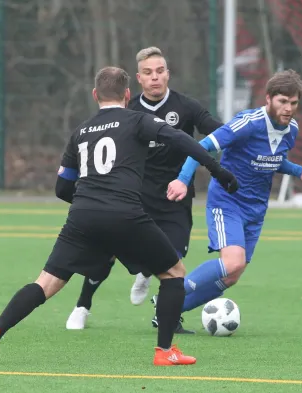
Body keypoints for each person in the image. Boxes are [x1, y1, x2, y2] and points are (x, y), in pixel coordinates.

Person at [0, 66, 238, 366]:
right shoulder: (138, 119)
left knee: (45, 284)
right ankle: (165, 351)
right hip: (125, 213)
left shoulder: (80, 131)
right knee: (174, 273)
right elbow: (182, 141)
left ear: (95, 95)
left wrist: (88, 206)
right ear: (128, 95)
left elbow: (62, 187)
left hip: (82, 216)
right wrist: (217, 170)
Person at [64, 47, 223, 334]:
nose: (155, 77)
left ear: (168, 74)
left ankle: (163, 309)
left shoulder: (187, 107)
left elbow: (217, 132)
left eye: (160, 71)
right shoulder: (128, 112)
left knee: (173, 257)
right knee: (105, 253)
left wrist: (243, 136)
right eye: (148, 73)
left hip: (176, 197)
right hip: (134, 196)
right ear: (138, 79)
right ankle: (82, 306)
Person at [158, 69, 302, 320]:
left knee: (232, 275)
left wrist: (299, 171)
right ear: (268, 99)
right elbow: (202, 146)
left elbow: (272, 160)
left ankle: (170, 312)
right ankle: (172, 292)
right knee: (232, 263)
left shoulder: (292, 130)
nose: (288, 108)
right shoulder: (248, 123)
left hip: (256, 209)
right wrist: (182, 180)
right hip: (228, 201)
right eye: (282, 101)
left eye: (293, 102)